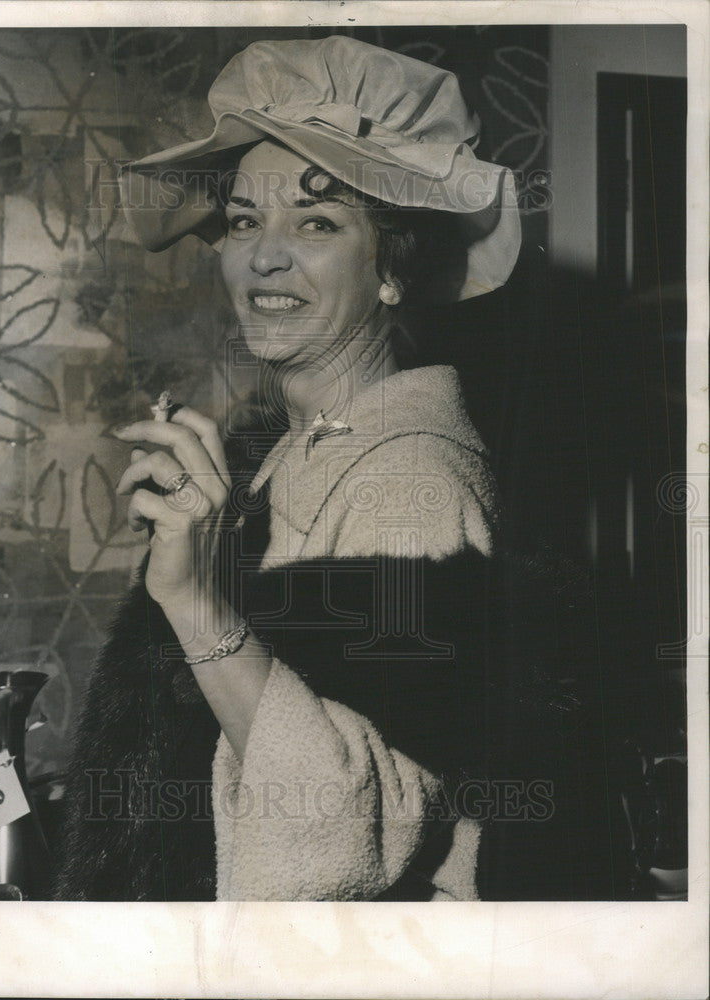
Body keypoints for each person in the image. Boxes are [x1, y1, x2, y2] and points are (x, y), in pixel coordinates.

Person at [54, 36, 605, 902]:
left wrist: (195, 605)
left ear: (392, 268)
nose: (264, 256)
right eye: (244, 220)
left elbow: (344, 838)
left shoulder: (407, 477)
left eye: (317, 221)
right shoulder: (286, 456)